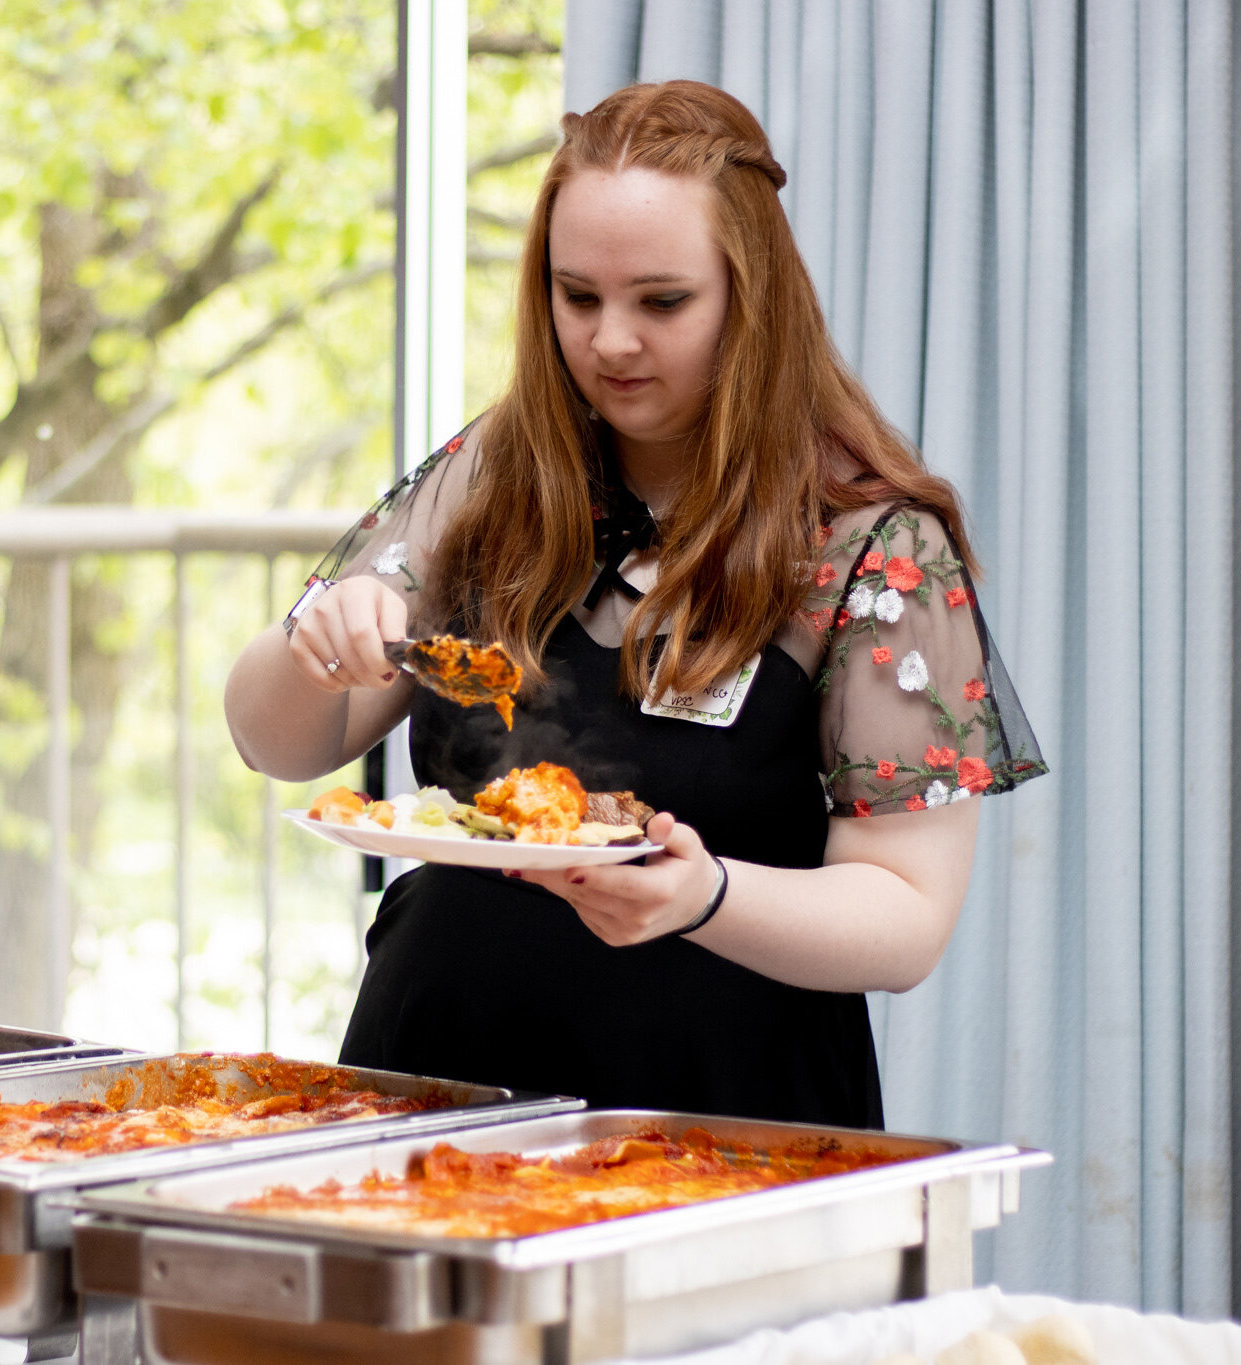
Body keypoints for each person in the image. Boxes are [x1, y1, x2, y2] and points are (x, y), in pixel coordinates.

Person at [222, 80, 1048, 1129]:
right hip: (431, 1088)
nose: (610, 342)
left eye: (661, 302)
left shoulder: (867, 544)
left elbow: (907, 920)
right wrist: (314, 646)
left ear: (753, 299)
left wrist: (704, 899)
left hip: (720, 1120)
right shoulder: (489, 474)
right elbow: (276, 744)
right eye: (577, 297)